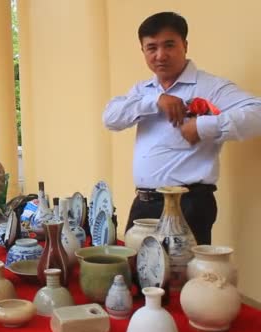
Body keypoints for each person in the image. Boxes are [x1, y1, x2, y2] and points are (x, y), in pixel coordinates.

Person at [103, 11, 261, 245]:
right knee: (136, 277)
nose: (160, 55)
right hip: (144, 203)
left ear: (184, 45)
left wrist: (203, 126)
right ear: (143, 51)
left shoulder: (210, 87)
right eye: (151, 47)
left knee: (185, 279)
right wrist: (155, 101)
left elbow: (257, 113)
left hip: (189, 204)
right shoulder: (143, 90)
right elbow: (111, 117)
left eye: (169, 45)